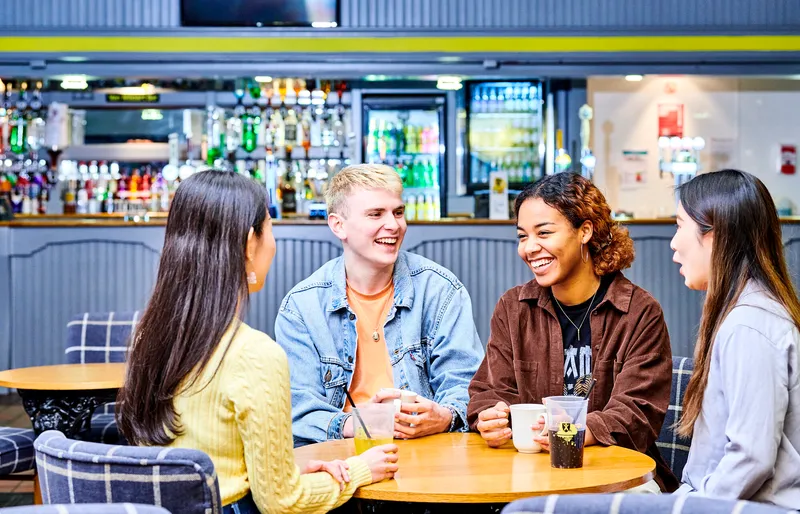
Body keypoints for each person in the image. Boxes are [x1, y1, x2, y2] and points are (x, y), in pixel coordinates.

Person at [117, 171, 398, 514]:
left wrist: (291, 471)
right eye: (270, 226)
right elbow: (282, 502)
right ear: (250, 243)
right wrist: (361, 469)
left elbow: (221, 458)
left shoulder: (150, 337)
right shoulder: (255, 355)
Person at [468, 172, 677, 492]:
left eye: (544, 233)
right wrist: (490, 418)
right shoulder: (514, 308)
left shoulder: (638, 312)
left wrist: (570, 431)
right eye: (522, 236)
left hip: (617, 479)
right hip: (530, 476)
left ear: (585, 231)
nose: (530, 248)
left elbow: (637, 413)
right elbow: (489, 392)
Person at [275, 164, 484, 446]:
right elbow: (298, 408)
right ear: (338, 225)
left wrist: (444, 416)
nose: (394, 225)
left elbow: (466, 385)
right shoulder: (301, 307)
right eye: (376, 214)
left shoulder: (441, 289)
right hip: (340, 461)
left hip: (427, 455)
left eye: (398, 212)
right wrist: (368, 425)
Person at [671, 169, 800, 507]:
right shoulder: (743, 313)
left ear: (714, 235)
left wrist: (694, 504)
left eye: (679, 225)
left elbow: (751, 458)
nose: (673, 243)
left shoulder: (749, 325)